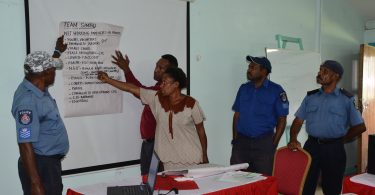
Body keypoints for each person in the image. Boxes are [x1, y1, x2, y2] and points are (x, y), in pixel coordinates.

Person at [98, 67, 209, 170]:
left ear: (176, 84)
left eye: (165, 83)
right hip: (168, 160)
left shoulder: (192, 104)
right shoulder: (156, 97)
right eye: (161, 82)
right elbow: (131, 88)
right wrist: (108, 80)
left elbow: (201, 131)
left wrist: (204, 155)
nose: (161, 85)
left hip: (192, 158)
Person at [287, 60, 366, 195]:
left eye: (325, 71)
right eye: (320, 70)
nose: (319, 73)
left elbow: (360, 126)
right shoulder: (311, 97)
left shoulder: (346, 99)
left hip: (334, 149)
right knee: (305, 184)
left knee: (331, 187)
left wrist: (342, 139)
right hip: (311, 146)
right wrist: (293, 138)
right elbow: (298, 121)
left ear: (336, 76)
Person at [11, 36, 68, 195]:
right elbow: (24, 143)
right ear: (45, 73)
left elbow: (47, 66)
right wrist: (36, 184)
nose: (54, 72)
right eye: (52, 69)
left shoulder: (38, 86)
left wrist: (56, 52)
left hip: (47, 165)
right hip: (40, 167)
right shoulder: (27, 102)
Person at [111, 50, 178, 174]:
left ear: (170, 73)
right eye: (156, 66)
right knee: (146, 180)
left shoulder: (162, 92)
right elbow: (139, 90)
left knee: (157, 182)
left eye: (160, 68)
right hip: (148, 144)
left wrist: (125, 70)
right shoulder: (158, 87)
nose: (156, 70)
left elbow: (137, 90)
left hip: (157, 145)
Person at [230, 55, 289, 176]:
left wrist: (273, 145)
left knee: (262, 181)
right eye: (249, 67)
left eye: (253, 67)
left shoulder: (277, 91)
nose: (249, 70)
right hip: (241, 142)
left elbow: (282, 120)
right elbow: (237, 115)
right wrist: (235, 139)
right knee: (236, 178)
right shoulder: (243, 88)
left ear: (264, 71)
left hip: (264, 143)